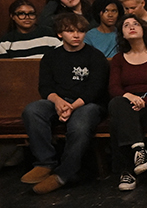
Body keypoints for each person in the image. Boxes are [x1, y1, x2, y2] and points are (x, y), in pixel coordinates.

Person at [20, 12, 109, 194]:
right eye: (70, 31)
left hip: (87, 103)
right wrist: (59, 102)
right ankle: (45, 163)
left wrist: (71, 107)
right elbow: (45, 86)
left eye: (81, 31)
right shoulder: (51, 57)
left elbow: (96, 90)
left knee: (80, 124)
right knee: (33, 110)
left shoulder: (95, 56)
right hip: (59, 101)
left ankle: (63, 174)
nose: (76, 35)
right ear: (60, 34)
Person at [107, 13, 147, 191]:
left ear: (143, 29)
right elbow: (114, 88)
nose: (131, 27)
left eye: (135, 23)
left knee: (118, 119)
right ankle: (139, 151)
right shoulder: (119, 58)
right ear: (122, 34)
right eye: (126, 25)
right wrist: (130, 97)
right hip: (127, 101)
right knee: (118, 105)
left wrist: (145, 101)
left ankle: (126, 171)